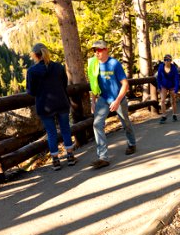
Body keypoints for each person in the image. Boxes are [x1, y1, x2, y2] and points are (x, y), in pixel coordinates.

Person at [26, 43, 76, 171]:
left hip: (44, 106)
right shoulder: (59, 67)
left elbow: (31, 91)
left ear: (35, 55)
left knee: (51, 132)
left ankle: (55, 160)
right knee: (65, 129)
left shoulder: (32, 71)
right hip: (61, 102)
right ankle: (70, 156)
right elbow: (64, 84)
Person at [88, 40, 136, 169]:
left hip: (117, 98)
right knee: (97, 124)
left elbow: (125, 84)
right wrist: (93, 102)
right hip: (103, 99)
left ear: (106, 50)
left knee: (125, 122)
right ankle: (103, 157)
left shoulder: (114, 64)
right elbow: (94, 84)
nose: (96, 53)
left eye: (98, 50)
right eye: (94, 50)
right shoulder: (94, 64)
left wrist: (117, 100)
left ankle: (131, 143)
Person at [157, 54, 180, 124]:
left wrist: (176, 89)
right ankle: (164, 116)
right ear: (164, 61)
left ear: (171, 61)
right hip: (163, 85)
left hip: (172, 85)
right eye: (165, 60)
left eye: (168, 60)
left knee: (173, 100)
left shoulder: (173, 68)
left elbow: (176, 79)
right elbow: (158, 78)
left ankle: (174, 115)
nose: (166, 61)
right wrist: (159, 86)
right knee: (162, 101)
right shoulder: (161, 67)